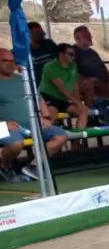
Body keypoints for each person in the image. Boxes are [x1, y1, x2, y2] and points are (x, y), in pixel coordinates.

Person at [0, 47, 69, 183]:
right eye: (5, 61)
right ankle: (4, 167)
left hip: (31, 123)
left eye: (12, 61)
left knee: (61, 136)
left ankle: (33, 166)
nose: (10, 64)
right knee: (16, 143)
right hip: (2, 126)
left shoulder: (22, 79)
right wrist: (4, 123)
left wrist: (46, 117)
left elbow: (39, 99)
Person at [39, 44, 89, 129]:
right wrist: (78, 103)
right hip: (48, 98)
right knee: (50, 118)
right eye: (71, 54)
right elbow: (62, 89)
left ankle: (77, 141)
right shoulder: (50, 66)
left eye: (74, 54)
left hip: (63, 100)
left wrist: (79, 103)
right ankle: (45, 139)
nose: (74, 57)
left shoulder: (73, 66)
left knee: (83, 113)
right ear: (61, 54)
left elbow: (75, 85)